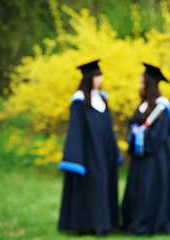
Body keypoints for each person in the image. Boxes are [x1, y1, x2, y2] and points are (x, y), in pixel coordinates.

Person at [57, 60, 122, 236]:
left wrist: (114, 151)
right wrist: (77, 158)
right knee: (93, 186)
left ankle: (105, 223)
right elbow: (76, 130)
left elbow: (108, 128)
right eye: (96, 75)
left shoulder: (102, 98)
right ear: (88, 78)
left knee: (105, 185)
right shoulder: (79, 100)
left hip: (105, 154)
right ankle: (90, 225)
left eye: (100, 75)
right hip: (88, 154)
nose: (100, 79)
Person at [122, 63, 170, 235]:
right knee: (137, 190)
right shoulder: (144, 106)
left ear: (149, 85)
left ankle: (150, 224)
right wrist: (134, 130)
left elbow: (159, 136)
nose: (139, 86)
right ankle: (135, 220)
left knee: (150, 191)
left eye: (142, 83)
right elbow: (133, 125)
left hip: (155, 159)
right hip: (141, 159)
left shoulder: (161, 107)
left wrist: (139, 134)